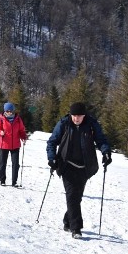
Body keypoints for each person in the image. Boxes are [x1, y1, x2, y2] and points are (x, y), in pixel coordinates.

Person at [46, 102, 112, 239]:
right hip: (66, 165)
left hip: (84, 167)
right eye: (74, 116)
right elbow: (52, 142)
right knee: (72, 196)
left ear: (84, 115)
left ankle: (67, 220)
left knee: (77, 197)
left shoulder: (91, 125)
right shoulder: (64, 124)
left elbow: (101, 140)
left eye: (79, 116)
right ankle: (76, 228)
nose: (76, 118)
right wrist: (52, 158)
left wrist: (106, 153)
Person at [0, 102, 27, 187]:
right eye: (7, 111)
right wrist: (0, 132)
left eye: (11, 111)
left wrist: (23, 137)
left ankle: (14, 181)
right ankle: (2, 179)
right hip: (4, 144)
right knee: (3, 163)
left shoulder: (18, 119)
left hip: (15, 145)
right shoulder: (1, 119)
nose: (9, 112)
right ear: (5, 111)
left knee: (15, 164)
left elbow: (21, 130)